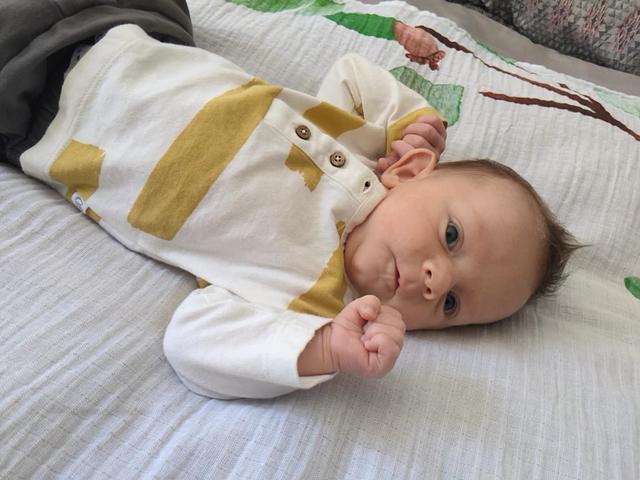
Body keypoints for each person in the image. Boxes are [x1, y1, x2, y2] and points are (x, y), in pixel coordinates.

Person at [14, 23, 578, 400]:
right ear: (410, 172)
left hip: (43, 115)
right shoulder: (369, 151)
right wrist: (413, 122)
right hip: (134, 34)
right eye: (452, 236)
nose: (437, 281)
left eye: (452, 304)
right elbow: (355, 74)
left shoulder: (308, 304)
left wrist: (324, 348)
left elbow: (191, 343)